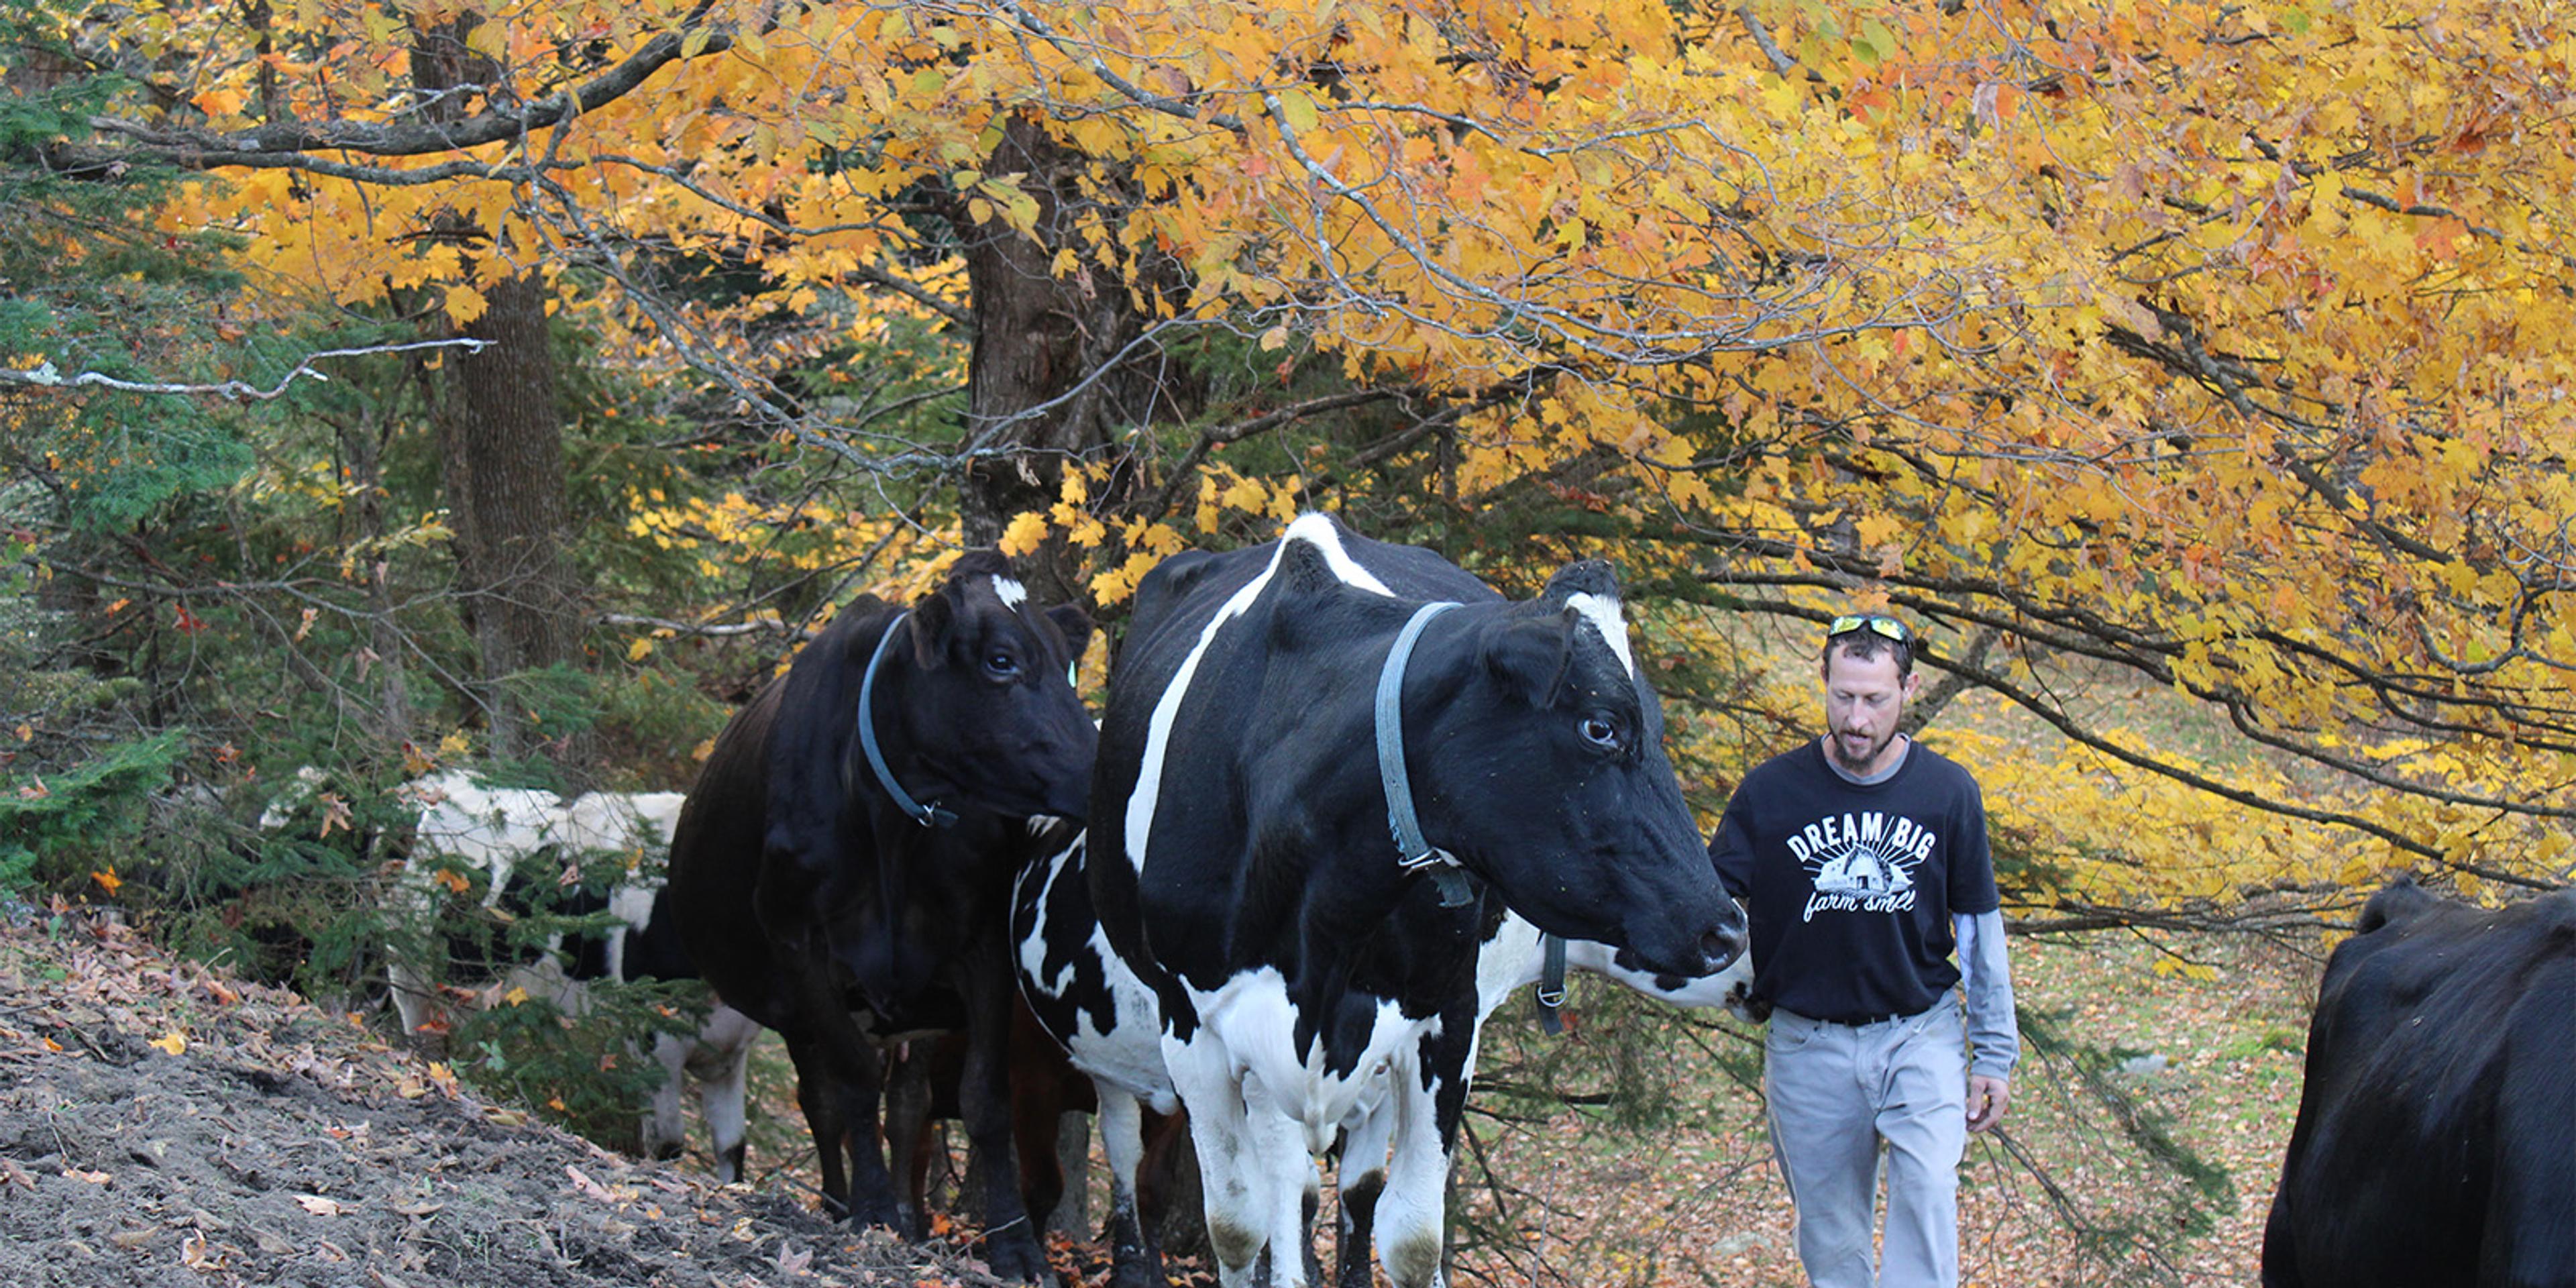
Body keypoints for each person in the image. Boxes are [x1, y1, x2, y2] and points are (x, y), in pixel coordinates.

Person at [1707, 612, 2019, 1288]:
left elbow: (1980, 933)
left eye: (1875, 699)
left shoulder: (1948, 794)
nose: (1857, 717)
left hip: (1919, 1034)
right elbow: (1706, 912)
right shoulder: (1770, 793)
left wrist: (1994, 1052)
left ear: (1907, 691)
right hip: (1807, 1046)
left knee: (1929, 1185)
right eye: (1843, 696)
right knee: (1833, 1244)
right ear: (1823, 682)